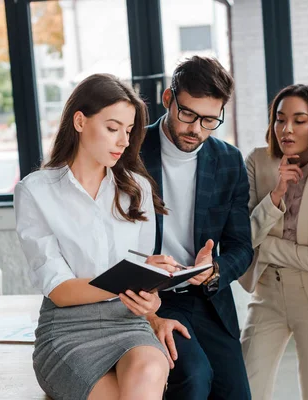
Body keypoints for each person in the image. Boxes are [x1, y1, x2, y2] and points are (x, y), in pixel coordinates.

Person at [14, 73, 178, 400]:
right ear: (79, 121)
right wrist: (126, 281)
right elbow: (59, 290)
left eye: (129, 132)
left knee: (148, 369)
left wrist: (150, 298)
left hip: (128, 323)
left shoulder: (137, 189)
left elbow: (141, 282)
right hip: (67, 331)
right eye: (112, 128)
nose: (123, 141)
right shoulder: (35, 191)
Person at [139, 56, 254, 399]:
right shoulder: (131, 151)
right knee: (193, 379)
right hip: (153, 297)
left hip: (206, 298)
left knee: (235, 393)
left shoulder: (228, 160)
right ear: (167, 99)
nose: (196, 129)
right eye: (187, 114)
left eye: (209, 120)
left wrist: (214, 269)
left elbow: (241, 246)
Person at [239, 84, 308, 400]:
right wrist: (275, 195)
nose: (286, 129)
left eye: (299, 120)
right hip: (268, 295)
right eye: (280, 119)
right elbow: (242, 238)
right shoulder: (258, 162)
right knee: (245, 388)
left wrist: (264, 246)